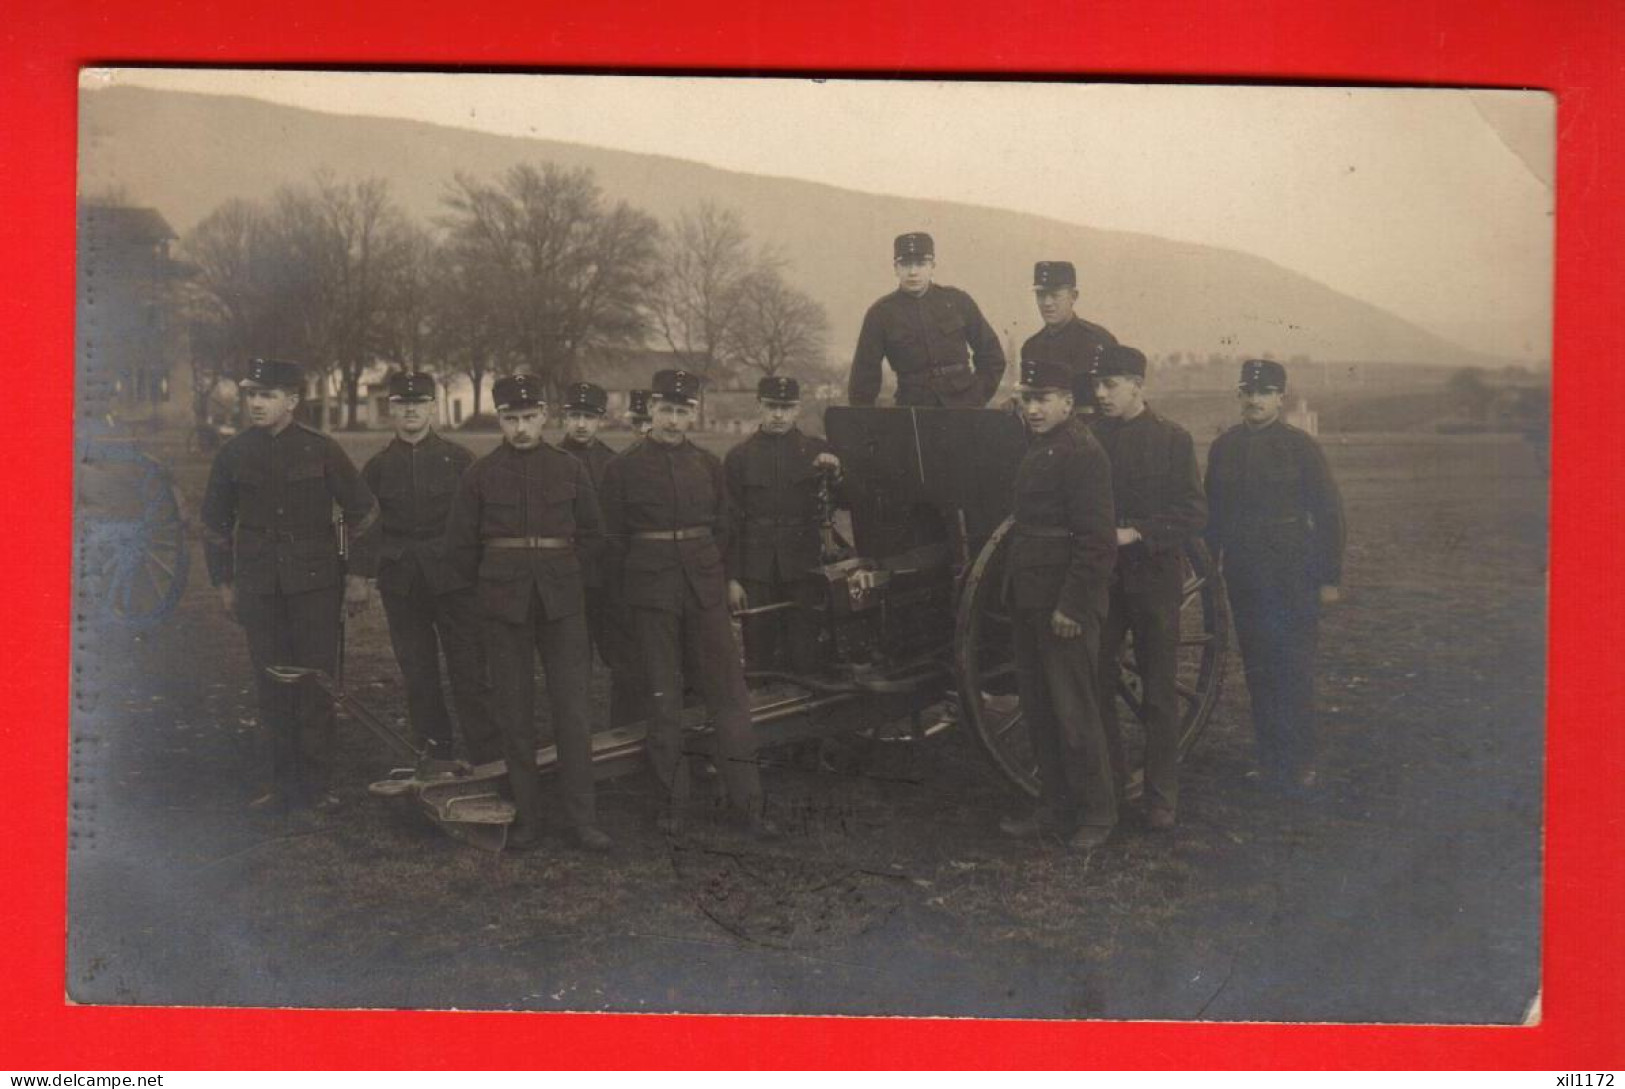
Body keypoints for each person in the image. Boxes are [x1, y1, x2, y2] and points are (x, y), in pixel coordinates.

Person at [599, 368, 778, 838]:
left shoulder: (708, 465)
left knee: (728, 695)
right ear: (650, 410)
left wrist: (716, 576)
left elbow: (725, 528)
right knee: (663, 698)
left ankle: (749, 805)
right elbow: (612, 541)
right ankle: (672, 804)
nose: (674, 421)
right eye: (665, 410)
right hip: (650, 592)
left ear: (692, 413)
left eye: (682, 411)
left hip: (703, 590)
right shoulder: (622, 469)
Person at [199, 357, 378, 817]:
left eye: (267, 395)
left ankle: (317, 788)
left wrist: (357, 576)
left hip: (315, 586)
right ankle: (282, 786)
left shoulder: (322, 450)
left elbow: (364, 513)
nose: (256, 404)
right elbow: (215, 525)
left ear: (292, 401)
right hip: (258, 585)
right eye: (252, 395)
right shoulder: (234, 453)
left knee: (315, 684)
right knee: (271, 683)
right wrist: (223, 582)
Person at [442, 373, 611, 852]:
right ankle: (528, 817)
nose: (520, 428)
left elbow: (595, 537)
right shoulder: (479, 474)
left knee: (572, 712)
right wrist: (488, 595)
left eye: (529, 418)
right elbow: (459, 547)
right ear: (500, 419)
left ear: (544, 417)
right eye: (511, 419)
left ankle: (583, 819)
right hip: (503, 603)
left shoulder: (569, 469)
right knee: (514, 712)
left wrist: (571, 580)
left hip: (562, 603)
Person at [1204, 359, 1346, 795]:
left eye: (1264, 393)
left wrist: (1328, 578)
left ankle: (1301, 762)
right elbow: (1211, 517)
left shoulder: (1300, 447)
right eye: (1247, 392)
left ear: (1280, 399)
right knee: (1259, 669)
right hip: (1244, 576)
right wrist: (1210, 571)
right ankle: (1270, 761)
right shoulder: (1224, 447)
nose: (1254, 400)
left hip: (1292, 575)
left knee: (1293, 668)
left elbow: (1328, 513)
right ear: (1239, 396)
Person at [998, 357, 1119, 849]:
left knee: (1074, 712)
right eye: (1027, 399)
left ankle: (1098, 814)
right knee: (1040, 710)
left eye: (1043, 399)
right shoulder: (1041, 447)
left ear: (1069, 402)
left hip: (1063, 605)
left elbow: (1096, 541)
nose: (1033, 408)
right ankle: (1052, 808)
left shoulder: (1082, 453)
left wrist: (1072, 606)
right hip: (1029, 597)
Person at [1089, 345, 1207, 830]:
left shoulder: (1172, 440)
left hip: (1154, 580)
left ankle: (1161, 796)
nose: (1100, 394)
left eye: (1111, 385)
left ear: (1139, 385)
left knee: (1158, 692)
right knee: (1097, 684)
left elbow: (1194, 513)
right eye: (1098, 385)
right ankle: (1111, 789)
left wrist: (1137, 532)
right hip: (1102, 582)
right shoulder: (1089, 439)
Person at [360, 372, 500, 775]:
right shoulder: (377, 467)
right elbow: (364, 526)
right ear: (392, 411)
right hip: (402, 583)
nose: (410, 412)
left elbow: (481, 521)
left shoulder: (459, 461)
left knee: (470, 671)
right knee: (418, 673)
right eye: (402, 406)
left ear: (431, 408)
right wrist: (367, 572)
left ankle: (489, 760)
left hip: (455, 580)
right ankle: (435, 757)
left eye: (418, 404)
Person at [723, 374, 843, 676]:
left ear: (797, 409)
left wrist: (836, 472)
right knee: (758, 654)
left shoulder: (818, 450)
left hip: (802, 566)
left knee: (805, 652)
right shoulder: (739, 457)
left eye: (786, 407)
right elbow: (729, 521)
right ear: (759, 406)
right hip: (756, 569)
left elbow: (845, 500)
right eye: (771, 406)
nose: (778, 414)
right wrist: (733, 578)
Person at [557, 381, 642, 729]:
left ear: (600, 419)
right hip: (567, 580)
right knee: (571, 665)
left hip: (609, 582)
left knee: (624, 662)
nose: (580, 424)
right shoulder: (549, 462)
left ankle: (624, 734)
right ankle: (576, 742)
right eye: (574, 415)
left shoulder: (615, 463)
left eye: (588, 417)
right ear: (563, 418)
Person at [848, 232, 1006, 408]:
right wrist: (864, 424)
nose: (913, 272)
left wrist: (977, 396)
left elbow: (992, 355)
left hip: (963, 404)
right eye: (906, 264)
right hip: (913, 408)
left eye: (921, 264)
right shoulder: (881, 314)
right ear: (895, 268)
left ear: (932, 266)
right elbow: (863, 378)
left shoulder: (958, 301)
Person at [1020, 260, 1119, 412]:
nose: (1047, 303)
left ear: (1073, 296)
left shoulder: (1098, 340)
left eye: (1055, 295)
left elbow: (1114, 400)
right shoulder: (1031, 347)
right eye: (1041, 295)